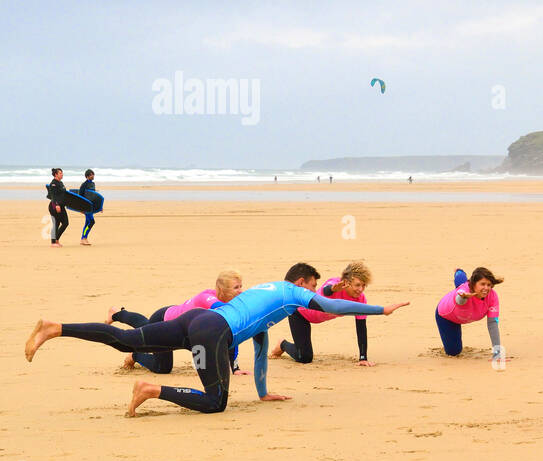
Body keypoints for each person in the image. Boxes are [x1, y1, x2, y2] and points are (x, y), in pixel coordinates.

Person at [24, 263, 408, 415]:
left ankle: (55, 328)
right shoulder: (293, 293)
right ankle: (149, 389)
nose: (312, 294)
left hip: (198, 319)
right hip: (211, 332)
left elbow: (260, 351)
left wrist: (262, 393)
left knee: (129, 341)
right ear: (302, 283)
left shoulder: (268, 293)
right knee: (215, 402)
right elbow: (335, 306)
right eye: (310, 287)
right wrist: (380, 310)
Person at [109, 270, 246, 373]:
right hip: (164, 320)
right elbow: (223, 312)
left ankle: (117, 314)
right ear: (223, 289)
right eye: (236, 288)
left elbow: (232, 335)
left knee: (145, 325)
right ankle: (135, 354)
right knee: (162, 368)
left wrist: (235, 369)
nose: (241, 291)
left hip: (183, 329)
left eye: (241, 286)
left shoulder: (226, 305)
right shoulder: (207, 298)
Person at [271, 261, 375, 365]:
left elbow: (361, 328)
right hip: (299, 313)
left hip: (314, 317)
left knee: (304, 356)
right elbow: (326, 291)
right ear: (346, 282)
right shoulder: (334, 283)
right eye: (357, 285)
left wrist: (363, 358)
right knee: (304, 357)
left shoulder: (361, 300)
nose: (360, 289)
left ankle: (284, 345)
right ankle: (282, 344)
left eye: (363, 285)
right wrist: (334, 289)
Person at [436, 267, 504, 359]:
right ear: (473, 284)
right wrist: (464, 297)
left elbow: (492, 323)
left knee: (461, 283)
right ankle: (459, 272)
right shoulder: (463, 292)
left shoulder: (492, 296)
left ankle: (459, 272)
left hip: (463, 314)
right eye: (482, 284)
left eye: (489, 285)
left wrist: (497, 352)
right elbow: (459, 301)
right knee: (453, 352)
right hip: (446, 315)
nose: (486, 288)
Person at [45, 168, 69, 247]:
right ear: (56, 174)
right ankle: (53, 242)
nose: (62, 174)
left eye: (62, 173)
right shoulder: (53, 184)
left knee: (65, 223)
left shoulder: (60, 183)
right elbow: (53, 196)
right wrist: (57, 205)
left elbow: (64, 194)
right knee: (56, 223)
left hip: (61, 206)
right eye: (60, 173)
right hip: (54, 206)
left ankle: (56, 240)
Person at [78, 169, 97, 245]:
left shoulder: (93, 184)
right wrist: (80, 208)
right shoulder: (84, 185)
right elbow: (80, 197)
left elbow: (95, 196)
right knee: (92, 221)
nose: (93, 176)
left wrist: (99, 206)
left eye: (93, 174)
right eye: (91, 175)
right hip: (86, 206)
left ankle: (83, 239)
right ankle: (84, 238)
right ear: (87, 176)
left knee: (87, 223)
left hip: (91, 206)